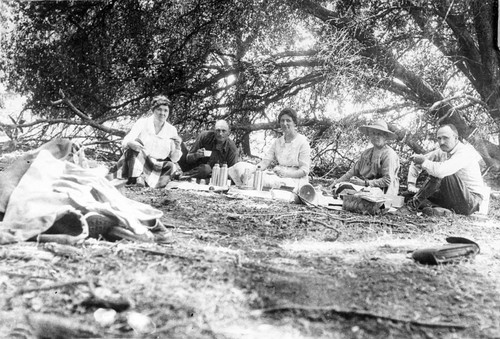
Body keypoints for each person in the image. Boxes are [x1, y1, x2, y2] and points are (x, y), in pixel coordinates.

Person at [406, 124, 485, 216]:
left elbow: (440, 172)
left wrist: (424, 162)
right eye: (439, 138)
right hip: (450, 196)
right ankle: (442, 210)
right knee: (407, 195)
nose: (441, 142)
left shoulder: (464, 152)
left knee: (441, 172)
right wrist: (411, 184)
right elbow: (416, 162)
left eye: (445, 138)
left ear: (456, 138)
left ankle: (416, 204)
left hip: (471, 200)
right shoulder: (442, 151)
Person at [229, 107, 311, 190]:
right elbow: (265, 161)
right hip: (279, 174)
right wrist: (252, 171)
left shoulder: (302, 142)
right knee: (240, 166)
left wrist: (286, 174)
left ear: (295, 123)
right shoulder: (278, 142)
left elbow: (304, 171)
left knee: (260, 181)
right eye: (282, 120)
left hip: (294, 178)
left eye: (288, 120)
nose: (284, 123)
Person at [109, 95, 182, 188]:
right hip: (140, 160)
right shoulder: (142, 123)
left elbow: (174, 159)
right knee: (132, 150)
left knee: (171, 166)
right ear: (153, 110)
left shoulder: (171, 130)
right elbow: (126, 141)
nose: (162, 113)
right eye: (159, 109)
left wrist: (178, 146)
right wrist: (132, 144)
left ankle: (149, 181)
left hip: (157, 165)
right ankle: (137, 178)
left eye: (165, 110)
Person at [331, 119, 400, 196]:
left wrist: (365, 183)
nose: (375, 136)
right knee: (340, 187)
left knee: (348, 191)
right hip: (367, 188)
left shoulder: (389, 154)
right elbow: (352, 172)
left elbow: (387, 180)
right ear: (370, 135)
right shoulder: (366, 153)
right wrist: (336, 183)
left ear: (385, 137)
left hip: (384, 192)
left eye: (379, 134)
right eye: (373, 133)